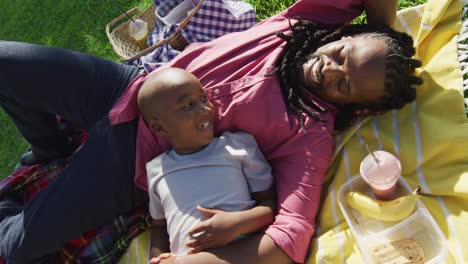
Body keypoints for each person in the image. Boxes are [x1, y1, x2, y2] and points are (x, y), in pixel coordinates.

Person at [0, 0, 423, 263]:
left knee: (18, 244)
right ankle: (49, 149)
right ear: (346, 33)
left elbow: (288, 239)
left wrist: (206, 259)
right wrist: (387, 32)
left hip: (128, 161)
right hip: (128, 85)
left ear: (356, 105)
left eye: (343, 85)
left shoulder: (308, 131)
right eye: (343, 54)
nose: (329, 68)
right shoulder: (308, 22)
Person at [138, 68, 275, 262]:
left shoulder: (237, 146)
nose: (205, 108)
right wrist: (157, 257)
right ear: (160, 128)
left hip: (243, 254)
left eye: (203, 98)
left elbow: (269, 206)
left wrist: (237, 224)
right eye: (187, 106)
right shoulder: (156, 169)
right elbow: (159, 226)